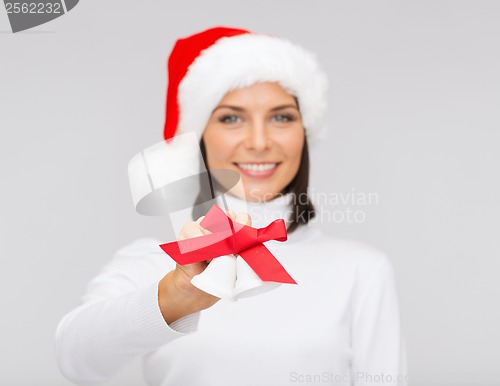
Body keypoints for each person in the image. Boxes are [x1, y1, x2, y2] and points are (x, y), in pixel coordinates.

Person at [56, 26, 407, 386]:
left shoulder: (361, 269)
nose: (259, 141)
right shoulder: (154, 261)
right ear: (199, 136)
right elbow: (75, 360)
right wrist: (173, 297)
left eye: (281, 116)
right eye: (231, 118)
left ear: (304, 131)